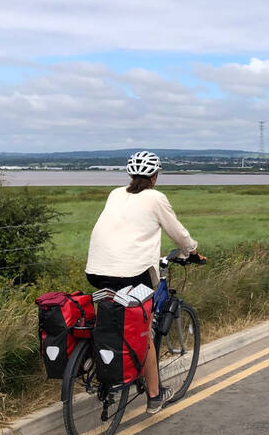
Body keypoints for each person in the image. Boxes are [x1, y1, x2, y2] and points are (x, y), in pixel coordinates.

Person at [85, 150, 205, 414]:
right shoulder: (155, 197)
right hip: (131, 273)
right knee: (143, 330)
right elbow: (178, 233)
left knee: (112, 318)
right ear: (155, 176)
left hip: (96, 271)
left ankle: (95, 361)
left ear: (130, 174)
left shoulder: (116, 193)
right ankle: (154, 395)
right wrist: (193, 252)